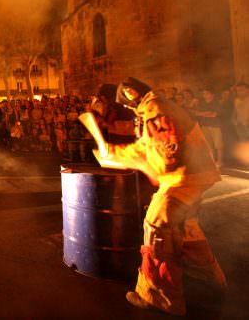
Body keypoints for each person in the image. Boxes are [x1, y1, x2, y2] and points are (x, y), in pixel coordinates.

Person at [96, 78, 226, 316]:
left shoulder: (156, 109)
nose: (128, 110)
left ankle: (160, 298)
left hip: (182, 178)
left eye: (126, 105)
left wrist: (119, 155)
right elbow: (148, 144)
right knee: (185, 227)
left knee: (156, 230)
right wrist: (112, 149)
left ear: (131, 94)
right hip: (192, 176)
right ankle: (208, 277)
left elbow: (164, 153)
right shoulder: (156, 107)